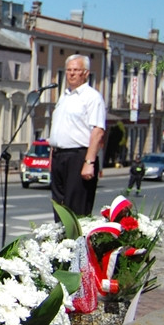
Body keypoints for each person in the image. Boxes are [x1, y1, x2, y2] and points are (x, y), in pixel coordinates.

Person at [48, 54, 107, 216]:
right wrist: (52, 155)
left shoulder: (91, 97)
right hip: (60, 156)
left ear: (86, 73)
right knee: (59, 205)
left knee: (76, 208)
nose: (71, 74)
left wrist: (89, 161)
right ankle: (60, 240)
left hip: (79, 155)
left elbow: (97, 131)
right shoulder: (64, 96)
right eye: (68, 70)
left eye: (76, 70)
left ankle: (76, 240)